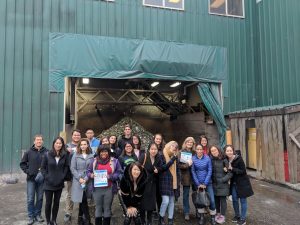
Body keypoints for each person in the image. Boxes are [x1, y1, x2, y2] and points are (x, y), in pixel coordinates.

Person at [87, 145, 122, 225]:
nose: (104, 153)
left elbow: (119, 172)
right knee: (98, 208)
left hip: (109, 189)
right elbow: (88, 171)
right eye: (102, 151)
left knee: (107, 208)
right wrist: (91, 175)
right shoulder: (94, 161)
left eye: (106, 151)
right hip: (97, 189)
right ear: (99, 152)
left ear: (108, 152)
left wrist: (111, 176)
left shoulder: (114, 161)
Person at [20, 134, 48, 225]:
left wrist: (45, 173)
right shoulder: (28, 152)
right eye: (37, 140)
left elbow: (49, 164)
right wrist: (28, 171)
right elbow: (22, 164)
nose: (39, 141)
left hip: (42, 180)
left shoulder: (47, 152)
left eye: (40, 140)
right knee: (30, 199)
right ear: (34, 141)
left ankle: (38, 215)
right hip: (31, 179)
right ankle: (31, 216)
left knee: (40, 198)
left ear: (42, 141)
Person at [41, 137, 69, 225]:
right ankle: (48, 221)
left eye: (60, 143)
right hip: (48, 183)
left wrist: (63, 176)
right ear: (54, 144)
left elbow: (66, 166)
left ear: (62, 145)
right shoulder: (47, 154)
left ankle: (54, 220)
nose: (58, 145)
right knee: (48, 203)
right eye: (57, 143)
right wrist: (47, 177)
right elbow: (43, 168)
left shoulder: (64, 155)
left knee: (56, 203)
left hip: (59, 183)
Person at [225, 145, 254, 225]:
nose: (229, 152)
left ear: (233, 151)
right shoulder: (226, 159)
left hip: (242, 183)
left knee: (243, 200)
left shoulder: (238, 158)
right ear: (225, 152)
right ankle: (237, 215)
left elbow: (243, 171)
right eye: (227, 151)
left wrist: (232, 169)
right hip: (233, 183)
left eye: (230, 150)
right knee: (234, 199)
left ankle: (243, 218)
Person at [70, 138, 94, 225]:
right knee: (82, 199)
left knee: (83, 199)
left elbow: (92, 169)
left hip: (88, 180)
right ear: (79, 146)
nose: (83, 146)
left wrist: (86, 179)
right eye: (81, 144)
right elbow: (72, 168)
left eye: (85, 144)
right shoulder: (75, 155)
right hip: (78, 180)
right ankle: (88, 219)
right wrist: (79, 178)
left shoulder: (91, 156)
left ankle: (80, 220)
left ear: (88, 145)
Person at [191, 144, 216, 225]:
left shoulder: (207, 158)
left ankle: (213, 217)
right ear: (196, 150)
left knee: (211, 200)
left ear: (203, 150)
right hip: (198, 183)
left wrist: (205, 183)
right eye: (197, 149)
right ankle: (202, 217)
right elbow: (193, 171)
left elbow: (210, 170)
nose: (199, 151)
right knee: (200, 200)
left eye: (200, 149)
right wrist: (198, 183)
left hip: (208, 183)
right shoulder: (193, 158)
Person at [139, 143, 162, 225]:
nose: (153, 151)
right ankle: (142, 220)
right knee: (142, 202)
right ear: (149, 149)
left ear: (157, 150)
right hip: (143, 183)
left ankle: (149, 220)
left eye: (155, 149)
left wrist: (157, 170)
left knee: (151, 203)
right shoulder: (144, 156)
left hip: (153, 183)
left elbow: (161, 168)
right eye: (152, 149)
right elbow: (138, 167)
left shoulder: (158, 158)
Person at [209, 145, 232, 224]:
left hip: (223, 184)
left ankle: (222, 216)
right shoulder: (211, 160)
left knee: (223, 201)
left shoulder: (224, 160)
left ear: (218, 150)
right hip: (214, 184)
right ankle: (217, 214)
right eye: (212, 151)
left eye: (215, 150)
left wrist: (223, 180)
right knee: (216, 200)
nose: (214, 152)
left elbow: (230, 173)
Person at [158, 141, 180, 225]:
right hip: (164, 181)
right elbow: (162, 168)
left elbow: (177, 170)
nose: (174, 148)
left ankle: (170, 219)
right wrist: (172, 160)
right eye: (172, 146)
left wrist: (178, 181)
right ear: (168, 146)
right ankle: (161, 217)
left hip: (173, 182)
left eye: (175, 147)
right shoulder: (161, 155)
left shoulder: (175, 157)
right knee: (165, 201)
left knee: (172, 201)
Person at [64, 129, 81, 222]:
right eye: (75, 135)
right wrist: (66, 151)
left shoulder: (84, 145)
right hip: (71, 174)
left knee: (83, 194)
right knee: (70, 194)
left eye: (78, 135)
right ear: (72, 136)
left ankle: (82, 213)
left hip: (82, 174)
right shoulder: (67, 146)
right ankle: (68, 212)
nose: (77, 136)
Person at [178, 137, 196, 221]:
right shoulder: (181, 152)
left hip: (195, 176)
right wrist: (187, 164)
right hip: (186, 177)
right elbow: (179, 165)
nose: (189, 143)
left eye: (191, 142)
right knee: (185, 195)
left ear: (193, 144)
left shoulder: (194, 152)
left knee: (196, 194)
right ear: (185, 143)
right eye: (188, 142)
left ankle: (199, 211)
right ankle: (186, 212)